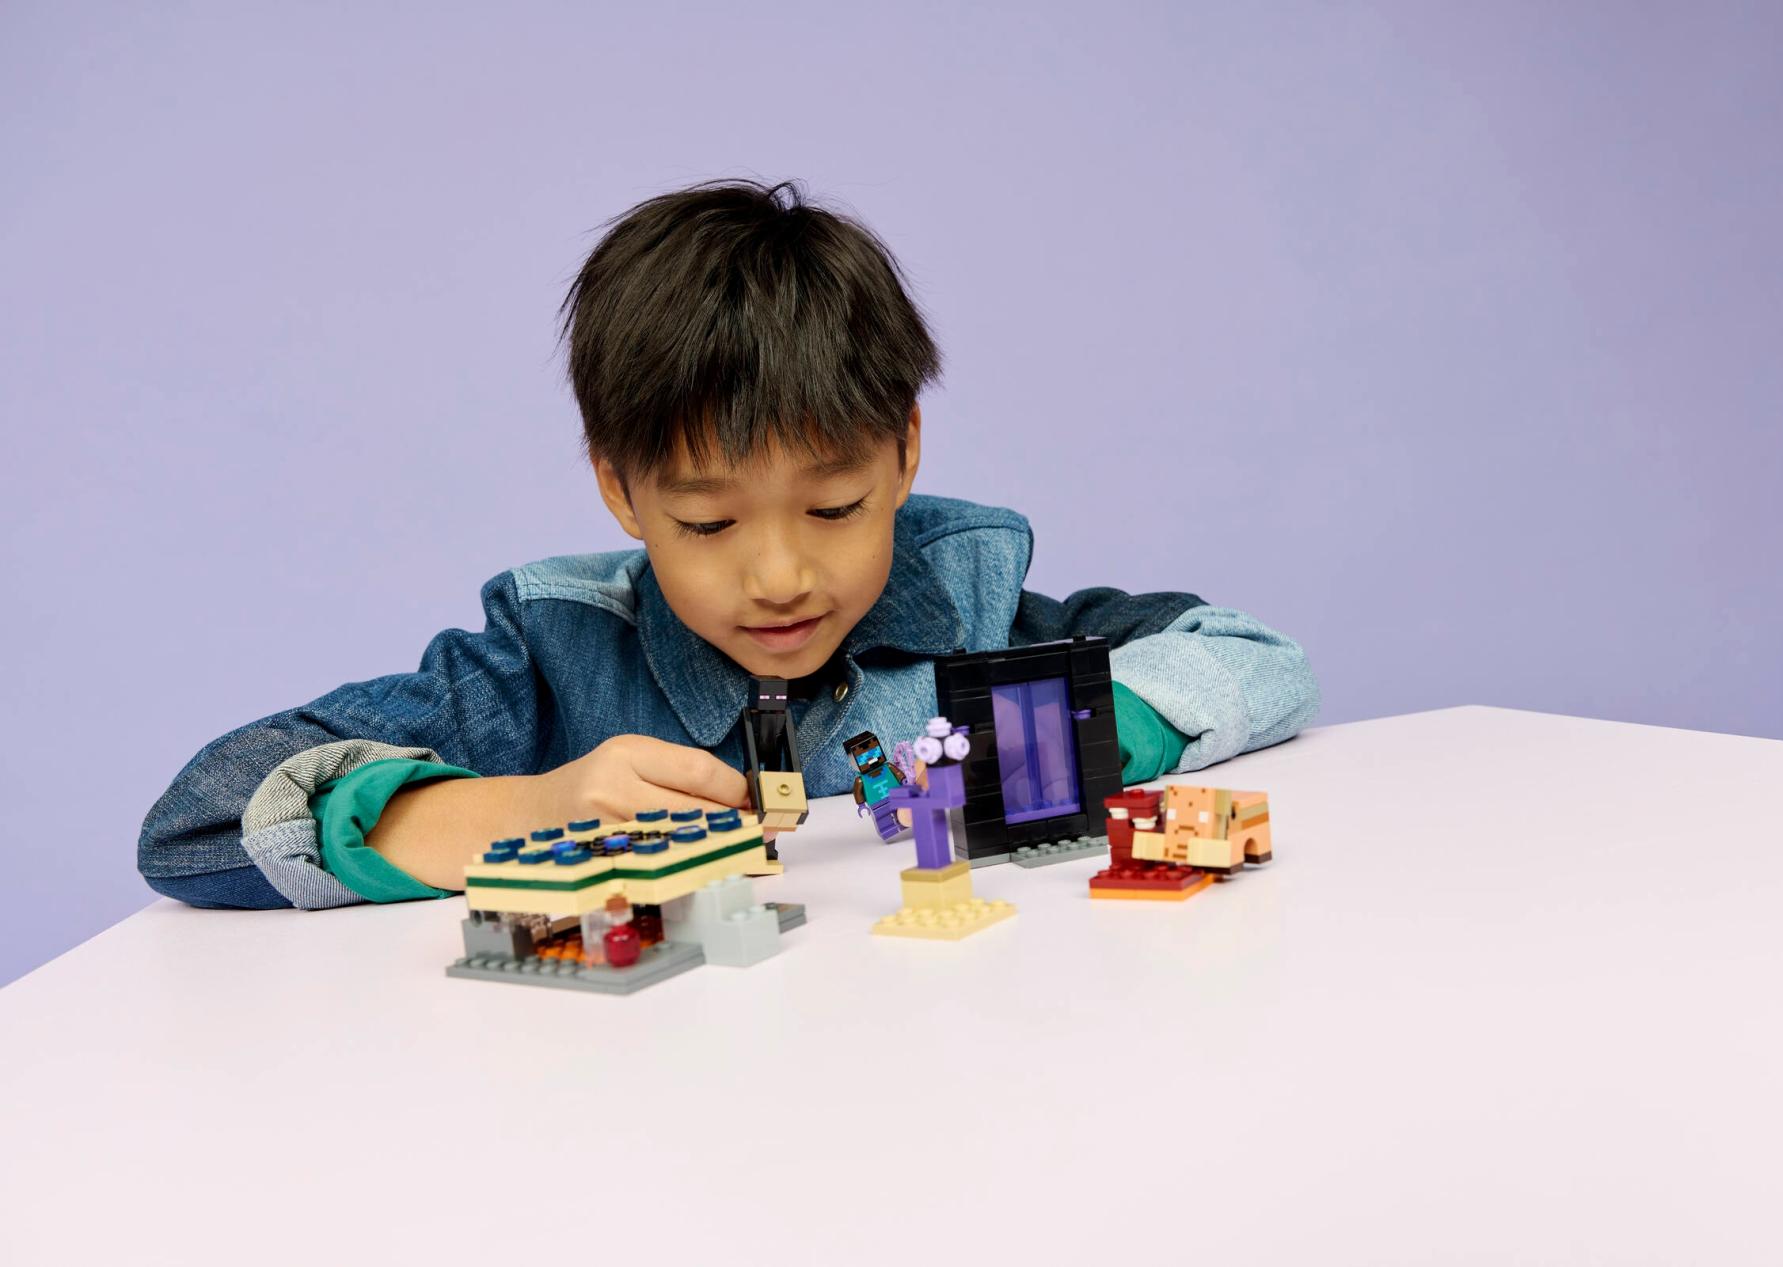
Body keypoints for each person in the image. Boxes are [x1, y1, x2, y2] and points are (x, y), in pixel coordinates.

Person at [137, 178, 1320, 910]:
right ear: (620, 489)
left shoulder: (968, 600)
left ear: (903, 455)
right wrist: (510, 811)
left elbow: (1256, 655)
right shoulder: (548, 653)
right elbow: (194, 825)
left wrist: (1059, 737)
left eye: (835, 507)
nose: (780, 577)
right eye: (706, 523)